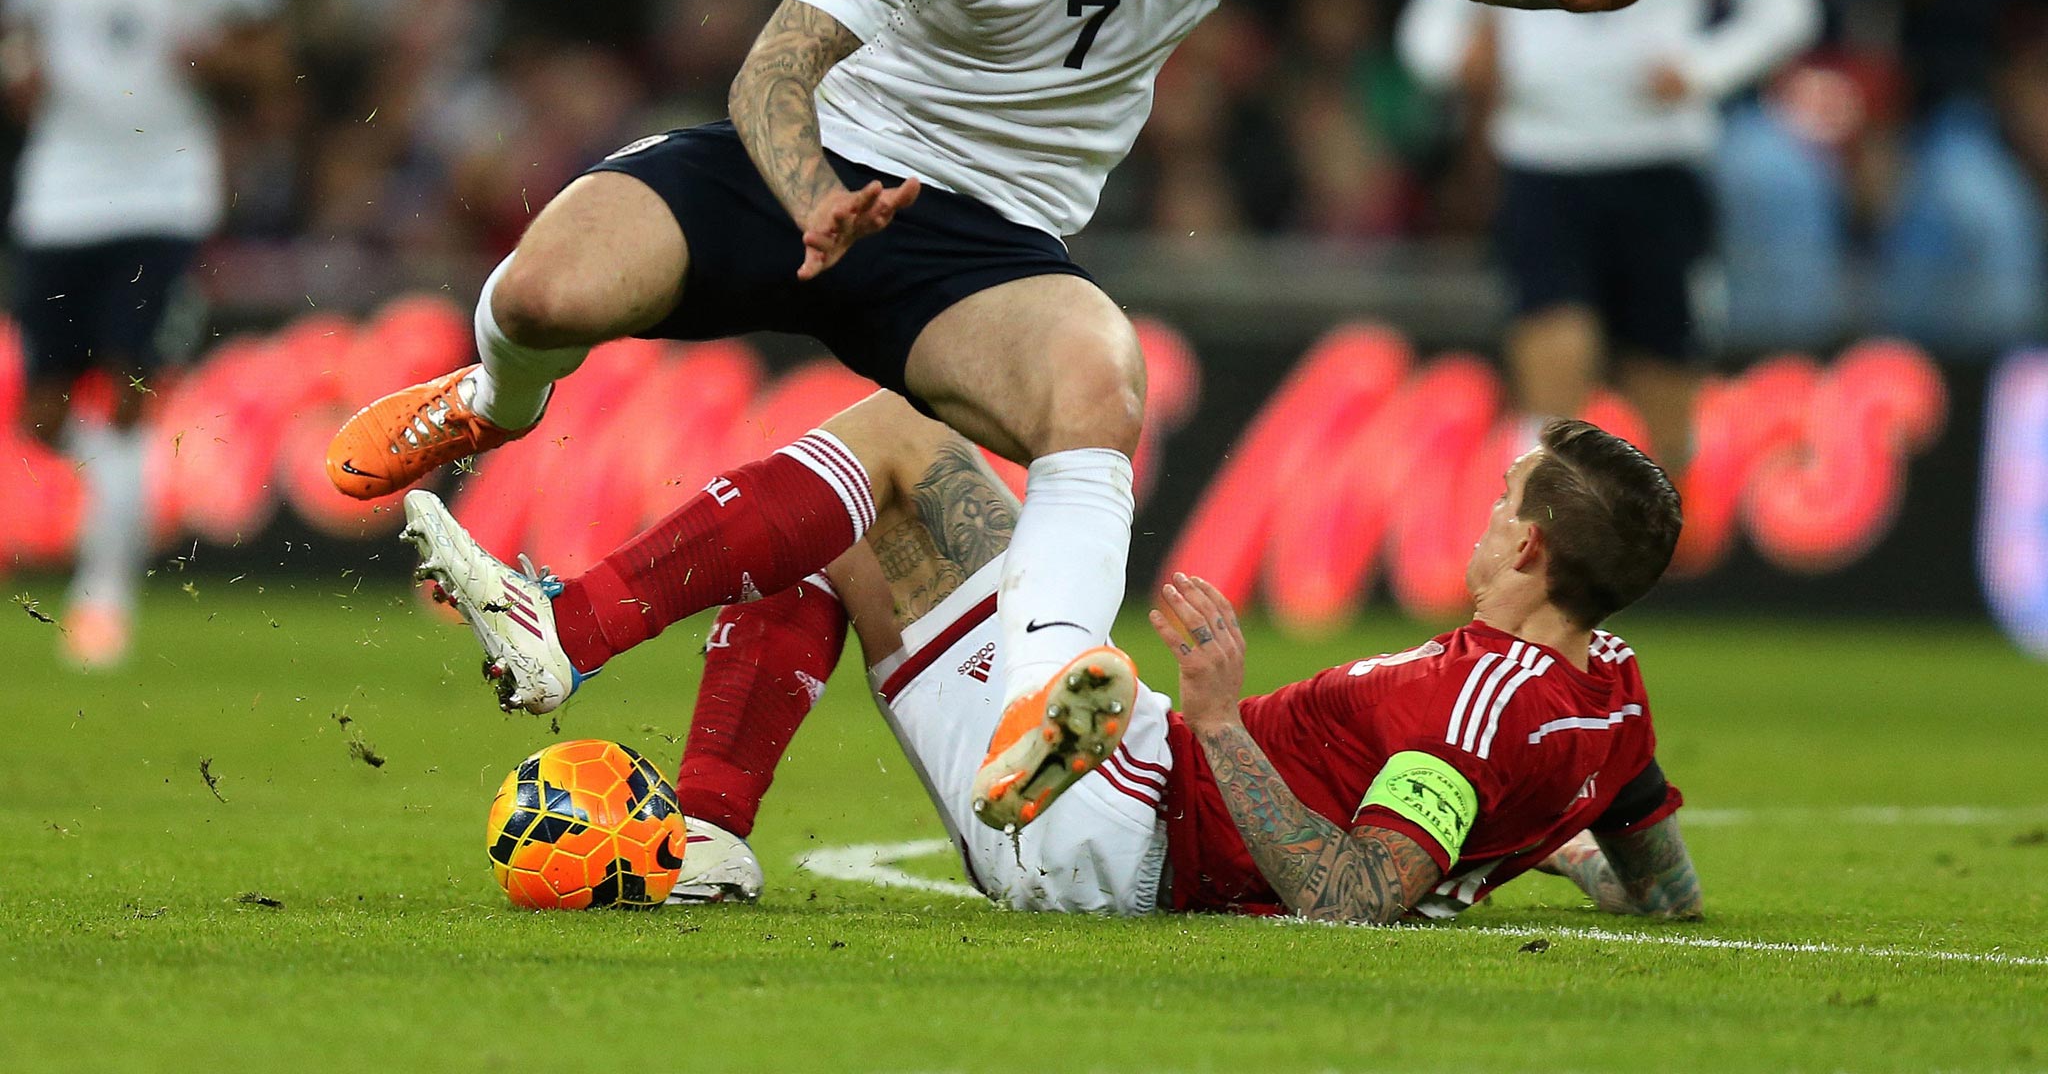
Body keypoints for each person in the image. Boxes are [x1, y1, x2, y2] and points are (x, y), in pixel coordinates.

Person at [331, 0, 1665, 831]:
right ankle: (489, 400)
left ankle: (1044, 699)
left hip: (989, 241)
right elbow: (772, 73)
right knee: (547, 284)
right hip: (817, 167)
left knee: (1099, 381)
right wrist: (814, 205)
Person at [400, 398, 1702, 924]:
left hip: (1131, 826)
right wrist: (1546, 850)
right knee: (846, 504)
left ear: (1528, 550)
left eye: (1500, 500)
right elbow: (1660, 874)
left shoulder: (1472, 701)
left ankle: (566, 630)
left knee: (890, 459)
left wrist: (1219, 715)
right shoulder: (1608, 689)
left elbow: (1351, 899)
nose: (1478, 513)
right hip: (1124, 782)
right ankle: (709, 839)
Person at [1397, 0, 1818, 469]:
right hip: (1544, 166)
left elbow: (1788, 6)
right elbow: (1423, 32)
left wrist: (1702, 70)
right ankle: (1551, 574)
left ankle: (1657, 568)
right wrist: (1461, 64)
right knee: (1552, 387)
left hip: (1658, 166)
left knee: (1665, 411)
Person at [1, 0, 288, 666]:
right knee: (44, 415)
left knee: (127, 391)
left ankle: (103, 599)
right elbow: (20, 36)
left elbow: (267, 64)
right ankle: (114, 515)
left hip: (164, 192)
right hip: (60, 189)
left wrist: (220, 64)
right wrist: (20, 74)